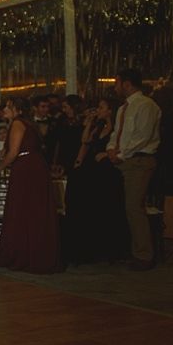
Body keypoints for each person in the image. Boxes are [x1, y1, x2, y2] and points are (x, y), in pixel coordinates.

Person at [0, 97, 63, 273]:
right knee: (31, 210)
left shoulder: (18, 123)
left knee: (24, 209)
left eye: (8, 107)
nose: (4, 110)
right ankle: (33, 252)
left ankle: (25, 254)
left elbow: (13, 152)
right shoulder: (24, 123)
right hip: (31, 166)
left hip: (27, 168)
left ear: (16, 108)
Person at [63, 97, 130, 264]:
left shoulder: (115, 129)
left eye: (101, 107)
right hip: (91, 167)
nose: (98, 110)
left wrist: (107, 155)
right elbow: (85, 142)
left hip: (106, 171)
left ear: (110, 111)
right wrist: (90, 123)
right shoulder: (98, 127)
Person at [107, 68, 161, 271]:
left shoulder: (146, 105)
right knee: (123, 206)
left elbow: (142, 137)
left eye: (117, 82)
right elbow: (117, 134)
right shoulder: (123, 109)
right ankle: (124, 248)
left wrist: (121, 153)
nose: (115, 87)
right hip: (122, 160)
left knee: (133, 206)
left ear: (126, 83)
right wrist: (111, 149)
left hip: (138, 161)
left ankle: (144, 254)